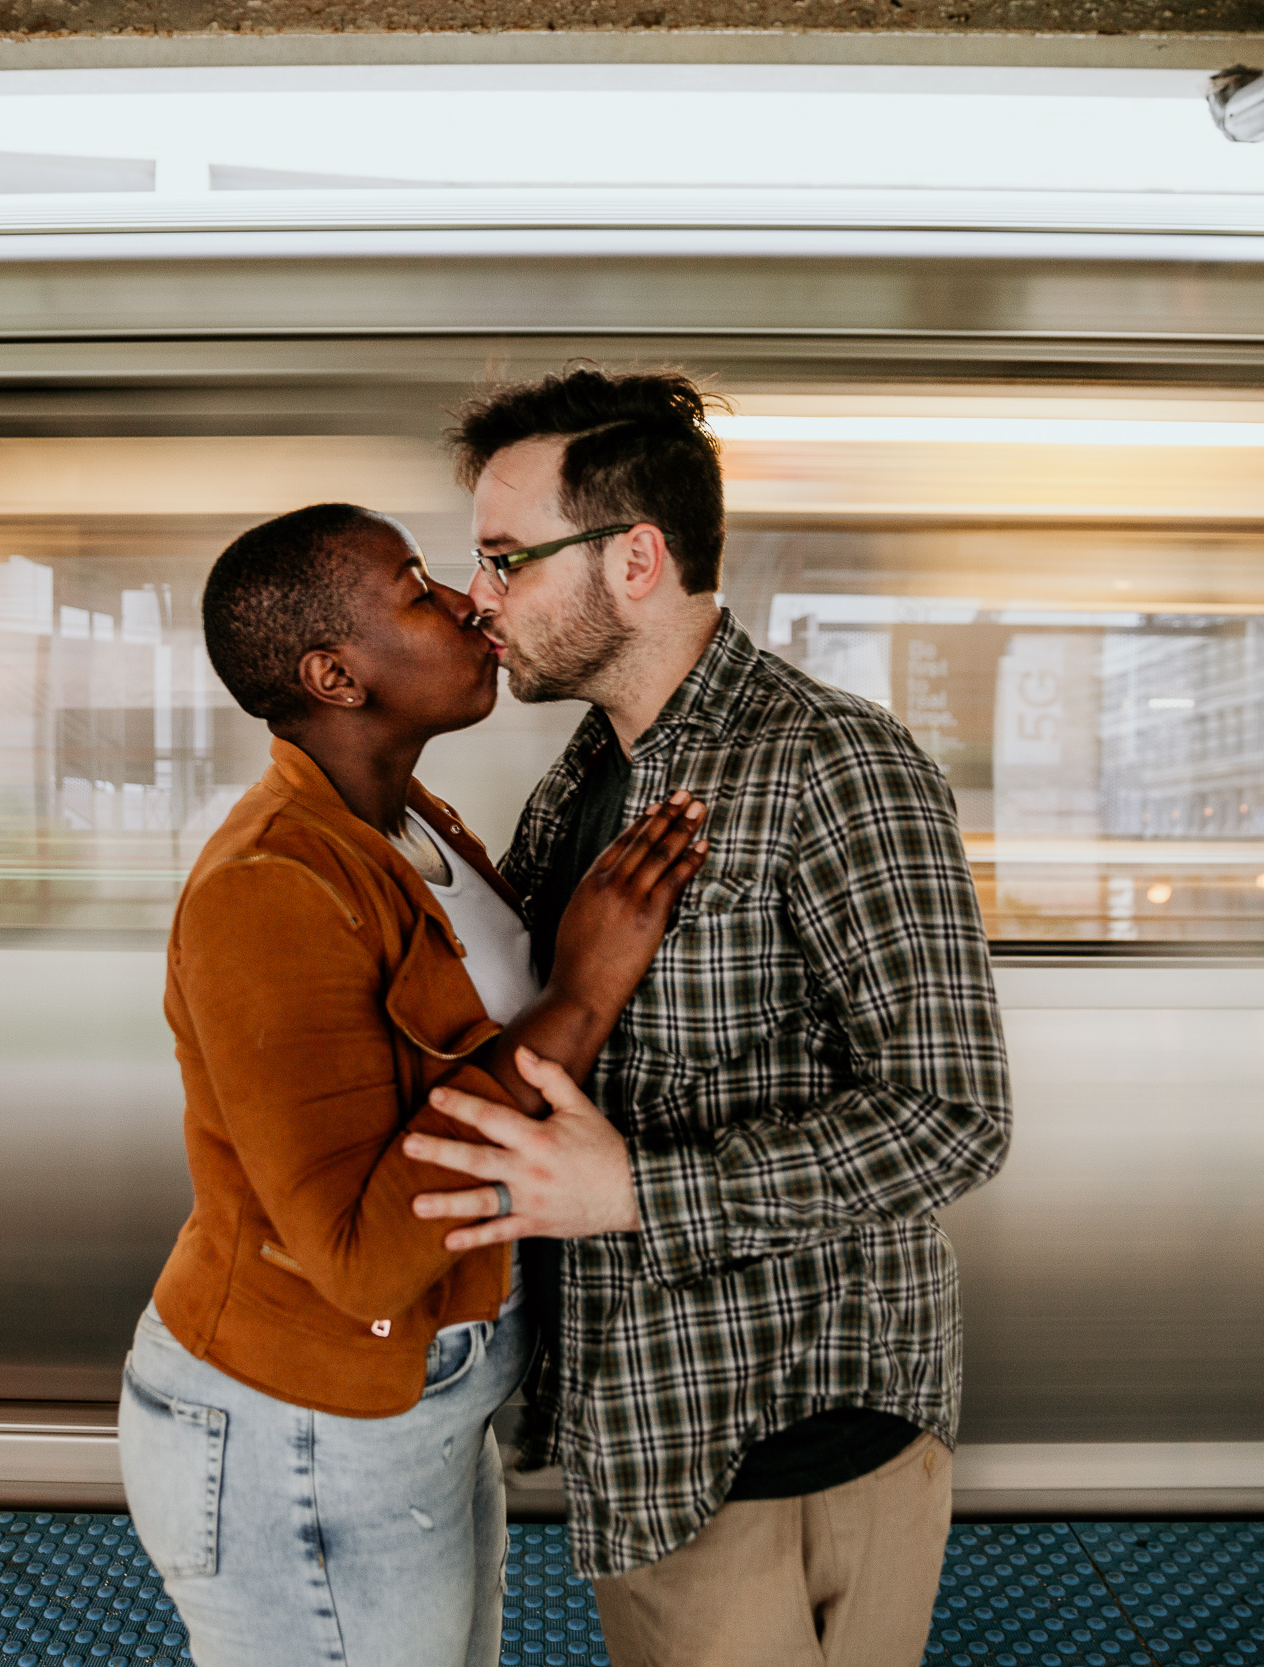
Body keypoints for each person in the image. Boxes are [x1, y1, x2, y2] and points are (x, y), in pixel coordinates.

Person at [402, 368, 1014, 1667]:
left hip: (795, 1430)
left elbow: (954, 1118)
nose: (480, 598)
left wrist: (635, 1190)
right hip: (652, 1427)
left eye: (508, 559)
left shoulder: (834, 760)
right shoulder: (582, 783)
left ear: (635, 558)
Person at [118, 502, 709, 1667]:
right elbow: (362, 1251)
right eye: (416, 587)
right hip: (300, 1423)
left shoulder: (407, 825)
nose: (464, 602)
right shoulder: (268, 885)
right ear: (336, 674)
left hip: (415, 1403)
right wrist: (578, 995)